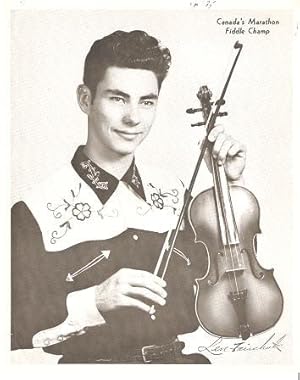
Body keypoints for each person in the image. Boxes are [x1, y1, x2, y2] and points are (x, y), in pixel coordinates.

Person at [11, 30, 246, 364]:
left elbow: (235, 298)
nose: (134, 117)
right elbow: (12, 325)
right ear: (85, 99)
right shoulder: (32, 213)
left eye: (146, 101)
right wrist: (94, 300)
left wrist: (227, 185)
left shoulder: (177, 191)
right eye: (117, 98)